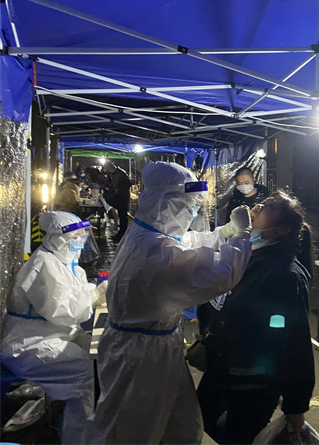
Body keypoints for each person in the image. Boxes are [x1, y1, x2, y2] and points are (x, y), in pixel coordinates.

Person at [85, 161, 253, 444]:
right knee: (129, 431)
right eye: (189, 205)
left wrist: (223, 233)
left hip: (155, 346)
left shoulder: (147, 233)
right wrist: (242, 237)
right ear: (168, 203)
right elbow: (220, 273)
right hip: (142, 356)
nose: (192, 211)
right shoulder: (156, 252)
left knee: (180, 423)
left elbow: (185, 242)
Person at [197, 191, 315, 444]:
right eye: (262, 202)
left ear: (282, 230)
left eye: (270, 207)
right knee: (201, 428)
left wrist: (296, 405)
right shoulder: (245, 255)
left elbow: (296, 341)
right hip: (220, 372)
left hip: (253, 384)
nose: (258, 206)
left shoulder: (286, 274)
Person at [0, 211, 107, 444]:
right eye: (77, 236)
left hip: (52, 334)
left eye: (83, 235)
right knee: (82, 371)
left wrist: (95, 292)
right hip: (28, 344)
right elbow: (64, 311)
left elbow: (75, 292)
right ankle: (76, 438)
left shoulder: (62, 260)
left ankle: (84, 424)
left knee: (100, 351)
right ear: (59, 237)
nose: (81, 240)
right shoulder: (43, 265)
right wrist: (95, 295)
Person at [102, 160, 131, 243]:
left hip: (122, 199)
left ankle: (122, 235)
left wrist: (112, 193)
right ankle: (120, 234)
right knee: (121, 217)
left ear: (109, 167)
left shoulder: (120, 174)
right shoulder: (112, 174)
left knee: (123, 217)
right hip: (118, 198)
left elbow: (123, 186)